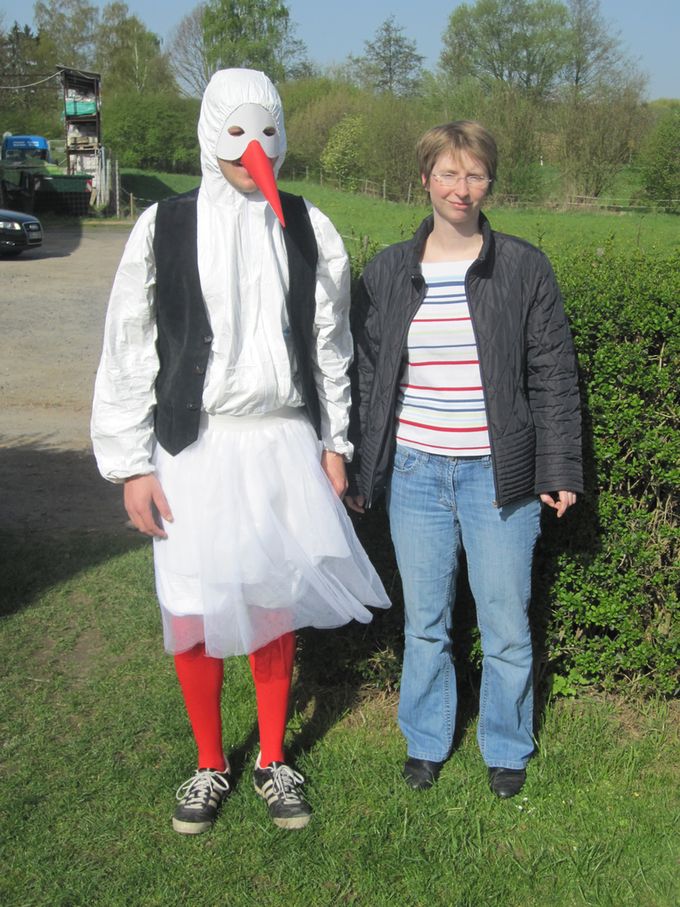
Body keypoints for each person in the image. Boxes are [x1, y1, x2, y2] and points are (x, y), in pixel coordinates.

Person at [91, 69, 389, 834]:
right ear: (209, 133)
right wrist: (130, 463)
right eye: (236, 131)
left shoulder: (308, 225)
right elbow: (129, 345)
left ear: (281, 134)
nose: (253, 148)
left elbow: (329, 344)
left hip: (283, 442)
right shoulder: (163, 226)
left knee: (270, 600)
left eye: (266, 131)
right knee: (192, 602)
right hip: (193, 447)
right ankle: (208, 761)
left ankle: (272, 757)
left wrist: (335, 442)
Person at [346, 121, 582, 799]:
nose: (461, 187)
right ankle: (426, 740)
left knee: (506, 622)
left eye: (474, 174)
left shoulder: (524, 267)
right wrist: (363, 470)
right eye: (448, 173)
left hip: (498, 477)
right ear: (425, 179)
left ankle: (506, 746)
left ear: (490, 183)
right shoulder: (388, 271)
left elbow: (553, 372)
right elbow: (367, 377)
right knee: (425, 622)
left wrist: (559, 467)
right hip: (416, 474)